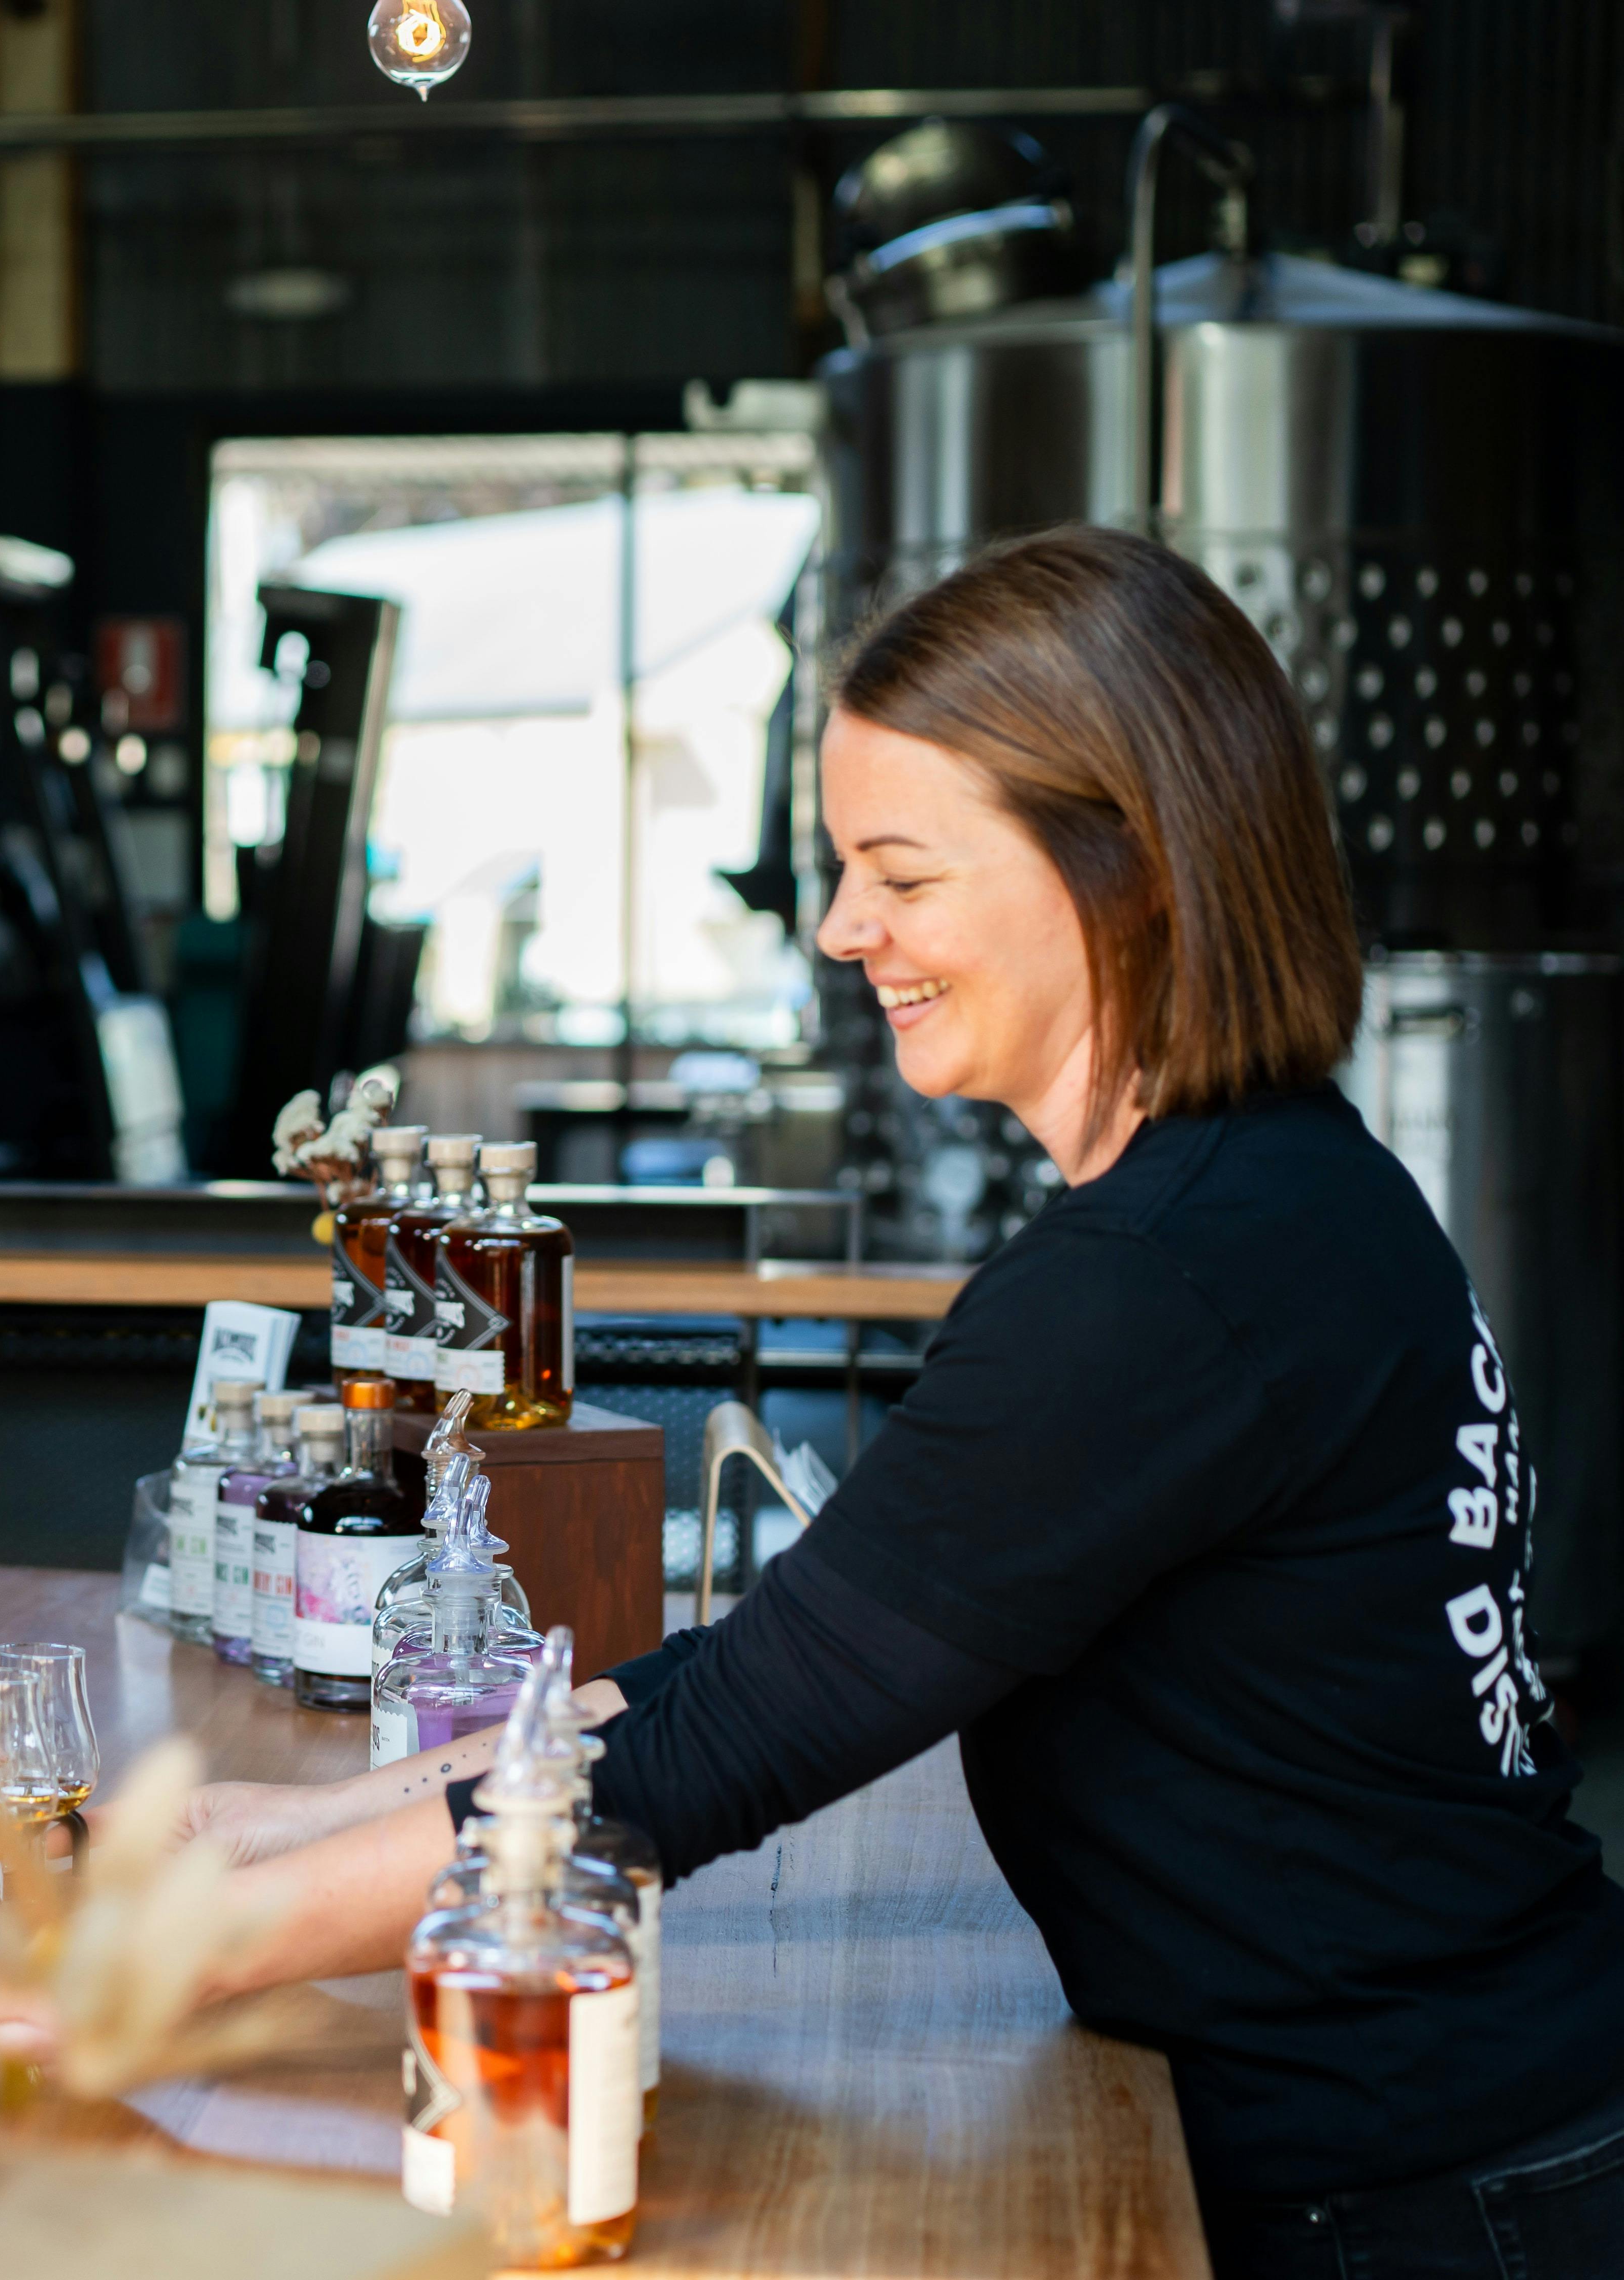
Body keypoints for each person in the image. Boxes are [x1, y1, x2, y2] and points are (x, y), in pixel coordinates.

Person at [180, 526, 1624, 2276]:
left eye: (904, 874)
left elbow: (707, 1762)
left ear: (1134, 868)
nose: (848, 928)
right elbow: (765, 1661)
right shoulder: (1271, 1196)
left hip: (1437, 2194)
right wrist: (264, 1833)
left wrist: (166, 1958)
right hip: (1477, 2130)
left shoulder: (1159, 1283)